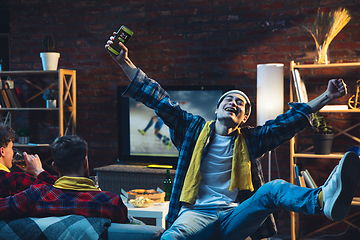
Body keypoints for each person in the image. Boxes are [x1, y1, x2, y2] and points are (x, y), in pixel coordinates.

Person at [105, 38, 360, 240]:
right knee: (170, 237)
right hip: (195, 215)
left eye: (241, 103)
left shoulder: (251, 139)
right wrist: (125, 62)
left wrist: (326, 96)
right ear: (216, 110)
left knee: (272, 189)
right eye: (228, 99)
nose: (234, 103)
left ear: (244, 117)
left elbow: (287, 123)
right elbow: (158, 98)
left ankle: (322, 200)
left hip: (234, 216)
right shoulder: (192, 129)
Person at [0, 135, 129, 224]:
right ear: (85, 162)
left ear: (54, 166)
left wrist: (40, 173)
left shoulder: (35, 195)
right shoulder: (112, 202)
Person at [0, 124, 57, 198]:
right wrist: (39, 171)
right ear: (2, 151)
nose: (13, 152)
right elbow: (57, 191)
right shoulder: (16, 179)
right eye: (11, 148)